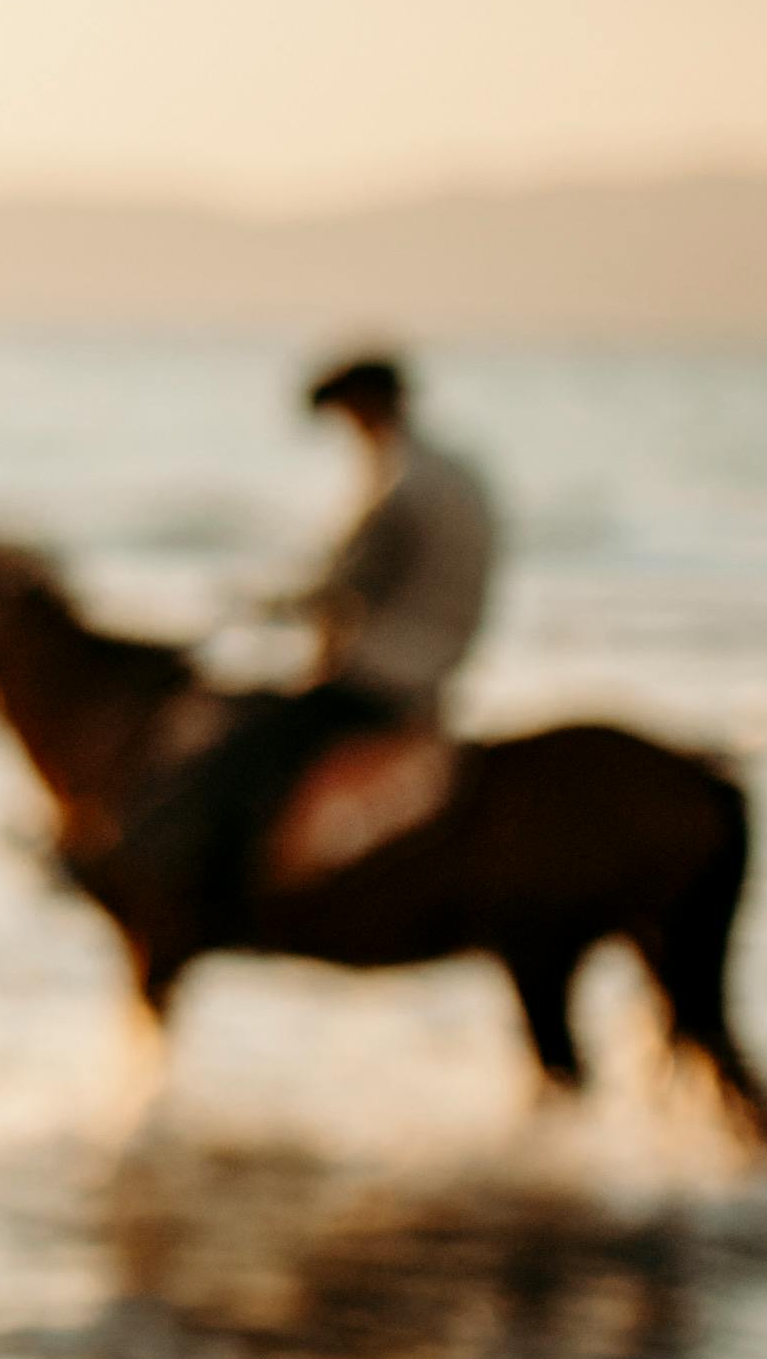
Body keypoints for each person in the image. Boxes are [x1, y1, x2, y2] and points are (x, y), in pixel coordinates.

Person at [130, 343, 501, 953]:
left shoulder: (406, 482)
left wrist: (260, 604)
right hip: (433, 663)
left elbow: (343, 585)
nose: (347, 429)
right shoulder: (452, 471)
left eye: (348, 415)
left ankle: (219, 890)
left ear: (369, 405)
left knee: (244, 740)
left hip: (386, 673)